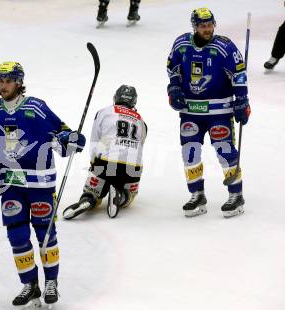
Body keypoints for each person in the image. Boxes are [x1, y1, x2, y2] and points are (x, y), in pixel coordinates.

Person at [0, 62, 86, 309]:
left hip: (40, 185)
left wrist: (72, 140)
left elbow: (63, 136)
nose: (3, 86)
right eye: (0, 81)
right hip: (10, 185)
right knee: (17, 237)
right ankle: (30, 283)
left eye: (8, 81)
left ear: (19, 82)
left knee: (46, 235)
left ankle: (51, 283)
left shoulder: (37, 108)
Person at [166, 8, 251, 218]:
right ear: (194, 26)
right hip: (190, 112)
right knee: (190, 152)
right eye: (203, 26)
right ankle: (197, 195)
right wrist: (174, 88)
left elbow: (239, 74)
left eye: (210, 25)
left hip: (219, 111)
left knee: (224, 150)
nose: (208, 29)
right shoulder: (181, 45)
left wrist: (242, 100)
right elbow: (172, 69)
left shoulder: (224, 47)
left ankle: (236, 195)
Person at [63, 85, 147, 220]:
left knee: (93, 191)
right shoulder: (141, 120)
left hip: (106, 162)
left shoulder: (104, 112)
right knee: (130, 196)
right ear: (134, 102)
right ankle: (121, 195)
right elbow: (141, 145)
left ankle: (89, 199)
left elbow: (95, 139)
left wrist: (94, 163)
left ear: (115, 97)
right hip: (132, 166)